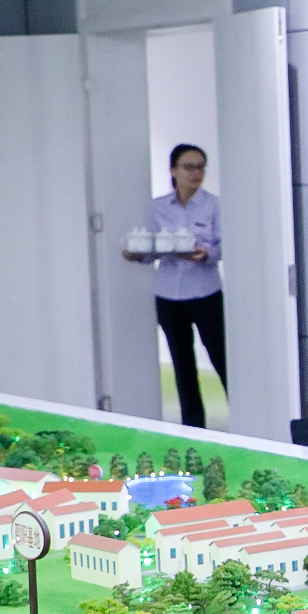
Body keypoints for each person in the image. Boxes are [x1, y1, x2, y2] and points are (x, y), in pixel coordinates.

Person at [126, 143, 225, 428]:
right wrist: (138, 254)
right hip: (169, 294)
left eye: (201, 167)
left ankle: (244, 417)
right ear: (173, 170)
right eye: (189, 167)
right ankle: (194, 426)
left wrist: (207, 254)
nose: (196, 173)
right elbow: (153, 246)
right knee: (182, 362)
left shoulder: (213, 205)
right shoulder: (158, 207)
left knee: (220, 355)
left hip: (205, 291)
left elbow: (225, 245)